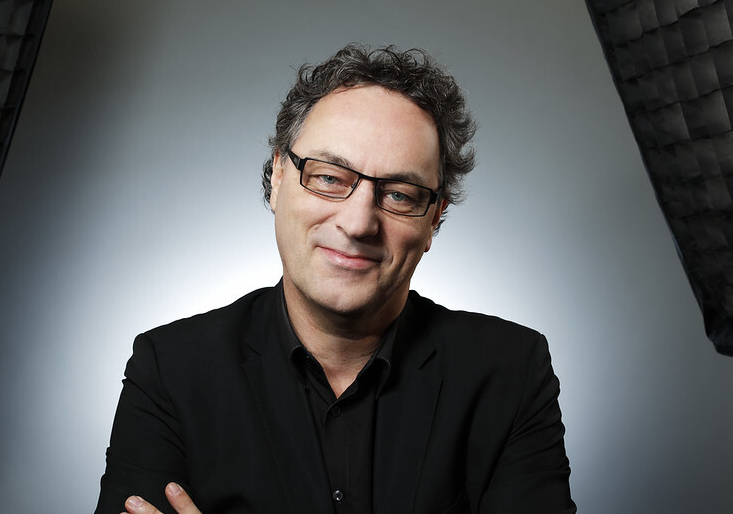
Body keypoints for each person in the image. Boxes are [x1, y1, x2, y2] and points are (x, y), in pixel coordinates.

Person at [95, 44, 576, 514]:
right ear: (278, 177)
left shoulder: (510, 371)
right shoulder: (169, 368)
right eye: (329, 177)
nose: (359, 222)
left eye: (400, 194)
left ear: (434, 219)